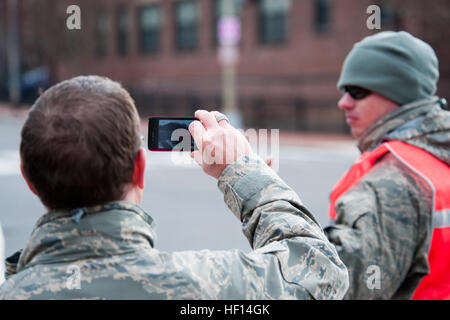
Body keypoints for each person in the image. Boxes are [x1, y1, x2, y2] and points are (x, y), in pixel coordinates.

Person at [0, 75, 348, 299]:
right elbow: (321, 273)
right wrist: (243, 172)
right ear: (139, 168)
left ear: (29, 179)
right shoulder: (210, 288)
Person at [324, 31, 450, 299]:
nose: (343, 102)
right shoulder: (440, 154)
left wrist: (255, 189)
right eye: (345, 91)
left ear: (399, 94)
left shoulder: (393, 181)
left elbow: (329, 286)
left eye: (357, 91)